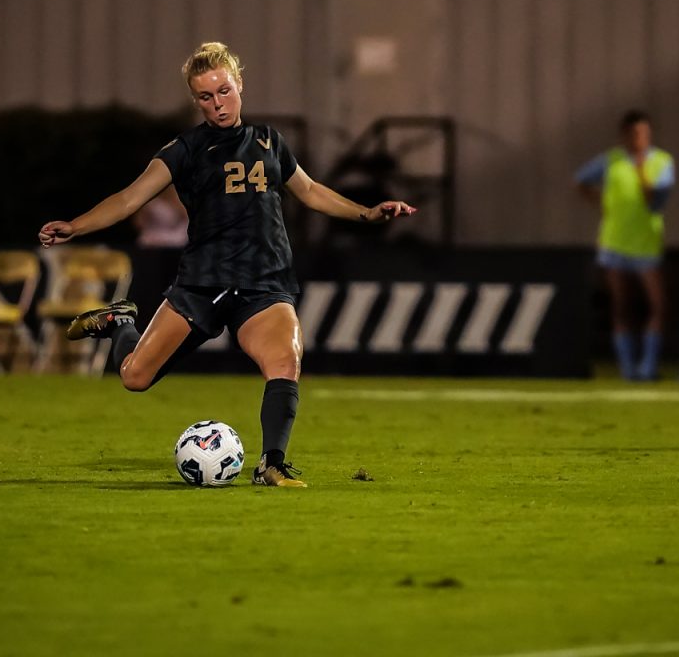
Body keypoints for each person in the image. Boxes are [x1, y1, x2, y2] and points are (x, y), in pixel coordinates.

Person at [38, 42, 416, 486]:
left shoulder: (269, 141)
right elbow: (129, 198)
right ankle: (122, 321)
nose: (217, 103)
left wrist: (368, 213)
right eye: (205, 96)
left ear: (240, 86)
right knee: (135, 378)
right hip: (202, 283)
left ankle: (271, 463)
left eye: (223, 90)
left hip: (264, 283)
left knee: (284, 360)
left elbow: (311, 191)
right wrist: (76, 226)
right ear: (195, 100)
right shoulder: (184, 150)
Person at [574, 110, 675, 380]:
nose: (638, 139)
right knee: (621, 305)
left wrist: (641, 170)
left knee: (658, 305)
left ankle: (649, 365)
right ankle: (628, 367)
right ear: (623, 135)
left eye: (643, 133)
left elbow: (655, 200)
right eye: (633, 133)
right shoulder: (611, 160)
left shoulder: (662, 162)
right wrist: (603, 203)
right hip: (614, 243)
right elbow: (581, 181)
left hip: (646, 244)